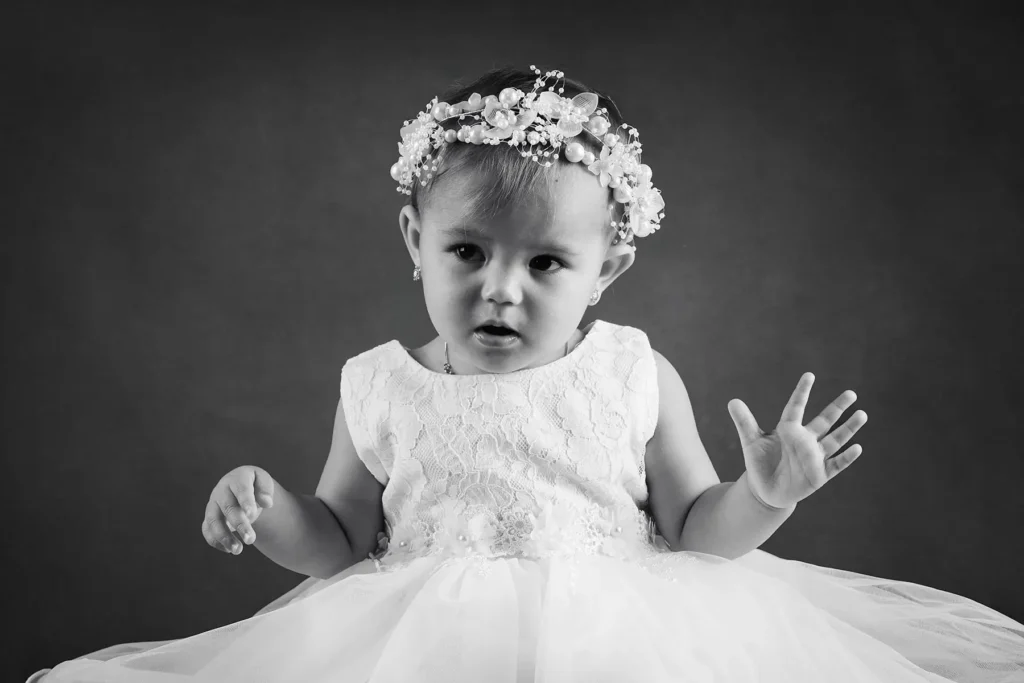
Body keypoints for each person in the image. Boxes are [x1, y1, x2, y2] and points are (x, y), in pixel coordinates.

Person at [31, 65, 1024, 683]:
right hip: (416, 647)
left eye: (545, 263)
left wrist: (761, 495)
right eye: (467, 252)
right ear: (414, 239)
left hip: (627, 644)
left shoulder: (631, 370)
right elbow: (338, 540)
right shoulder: (380, 385)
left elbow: (697, 533)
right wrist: (269, 509)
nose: (501, 289)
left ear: (605, 271)